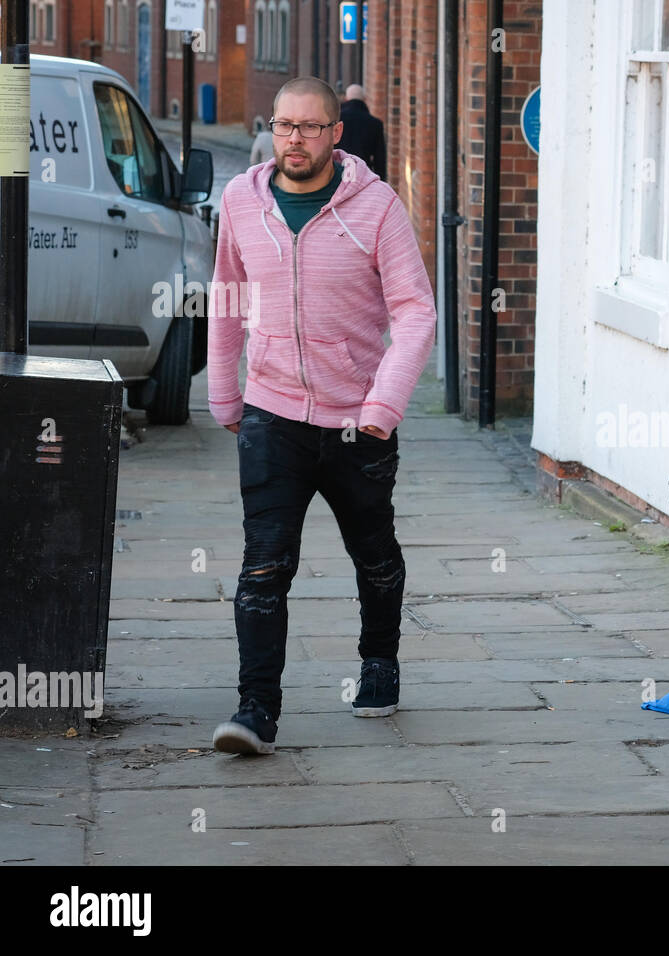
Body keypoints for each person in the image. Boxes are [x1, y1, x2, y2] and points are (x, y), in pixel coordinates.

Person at [208, 76, 437, 755]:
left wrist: (384, 404)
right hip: (271, 413)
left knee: (373, 555)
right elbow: (225, 298)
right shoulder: (241, 201)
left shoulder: (377, 208)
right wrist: (225, 394)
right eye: (285, 126)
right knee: (263, 566)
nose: (296, 139)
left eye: (311, 127)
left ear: (337, 133)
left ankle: (379, 661)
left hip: (357, 420)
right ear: (270, 129)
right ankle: (255, 711)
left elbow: (416, 310)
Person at [337, 83, 387, 182]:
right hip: (363, 175)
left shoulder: (337, 120)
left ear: (346, 99)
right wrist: (379, 181)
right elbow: (379, 158)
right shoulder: (375, 123)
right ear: (364, 99)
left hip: (338, 172)